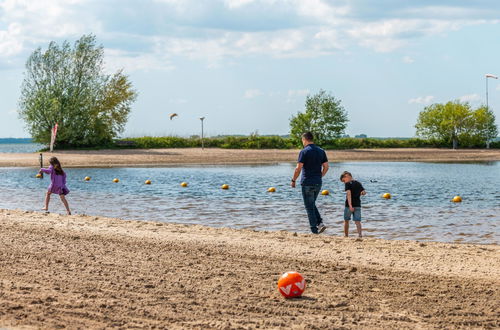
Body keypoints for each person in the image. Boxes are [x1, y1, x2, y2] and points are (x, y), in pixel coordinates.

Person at [291, 132, 329, 234]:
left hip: (307, 182)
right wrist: (320, 176)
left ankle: (314, 230)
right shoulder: (321, 151)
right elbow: (326, 167)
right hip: (318, 182)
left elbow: (298, 168)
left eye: (302, 140)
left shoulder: (304, 151)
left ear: (305, 140)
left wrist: (293, 180)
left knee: (309, 207)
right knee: (311, 204)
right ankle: (320, 223)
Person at [340, 171, 366, 238]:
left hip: (349, 205)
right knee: (357, 221)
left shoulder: (347, 184)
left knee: (346, 220)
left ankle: (346, 236)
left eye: (343, 180)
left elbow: (348, 194)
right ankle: (360, 235)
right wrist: (361, 193)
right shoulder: (358, 183)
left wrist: (350, 205)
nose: (344, 182)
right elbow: (364, 192)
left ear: (346, 176)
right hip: (358, 204)